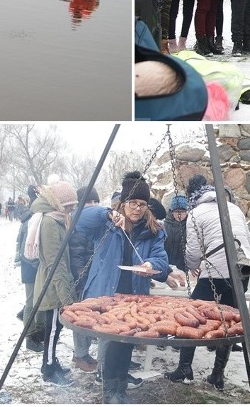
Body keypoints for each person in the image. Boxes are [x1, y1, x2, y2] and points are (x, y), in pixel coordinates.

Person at [75, 171, 169, 403]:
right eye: (133, 203)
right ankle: (110, 392)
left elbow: (162, 261)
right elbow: (79, 219)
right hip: (106, 294)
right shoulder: (106, 225)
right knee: (109, 342)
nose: (137, 208)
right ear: (123, 203)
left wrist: (151, 265)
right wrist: (107, 214)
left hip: (134, 297)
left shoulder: (154, 231)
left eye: (142, 204)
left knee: (125, 343)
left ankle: (120, 389)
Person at [165, 174, 250, 390]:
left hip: (215, 273)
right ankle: (217, 375)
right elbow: (248, 240)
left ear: (195, 198)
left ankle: (184, 368)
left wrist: (192, 263)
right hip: (241, 271)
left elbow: (193, 253)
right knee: (229, 323)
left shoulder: (196, 212)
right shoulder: (234, 208)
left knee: (190, 314)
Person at [32, 181, 80, 386]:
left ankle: (52, 362)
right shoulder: (50, 223)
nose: (70, 209)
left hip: (57, 282)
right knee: (52, 330)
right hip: (52, 285)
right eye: (68, 206)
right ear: (58, 204)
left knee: (56, 329)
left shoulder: (57, 219)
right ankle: (49, 369)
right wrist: (66, 297)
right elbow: (54, 262)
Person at [70, 186, 102, 372]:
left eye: (96, 202)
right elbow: (77, 256)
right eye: (89, 202)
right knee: (82, 318)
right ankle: (80, 354)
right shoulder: (79, 228)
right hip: (82, 279)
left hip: (93, 278)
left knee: (92, 317)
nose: (93, 205)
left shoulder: (95, 225)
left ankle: (84, 352)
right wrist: (83, 281)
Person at [16, 185, 46, 353]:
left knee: (39, 300)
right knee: (31, 302)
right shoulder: (32, 221)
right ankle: (30, 336)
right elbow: (25, 251)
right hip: (31, 268)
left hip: (36, 267)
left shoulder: (36, 218)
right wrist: (40, 265)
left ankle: (39, 331)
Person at [163, 194, 190, 289]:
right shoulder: (165, 225)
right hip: (168, 264)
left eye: (182, 212)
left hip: (184, 265)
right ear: (172, 211)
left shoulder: (190, 225)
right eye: (177, 212)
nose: (179, 215)